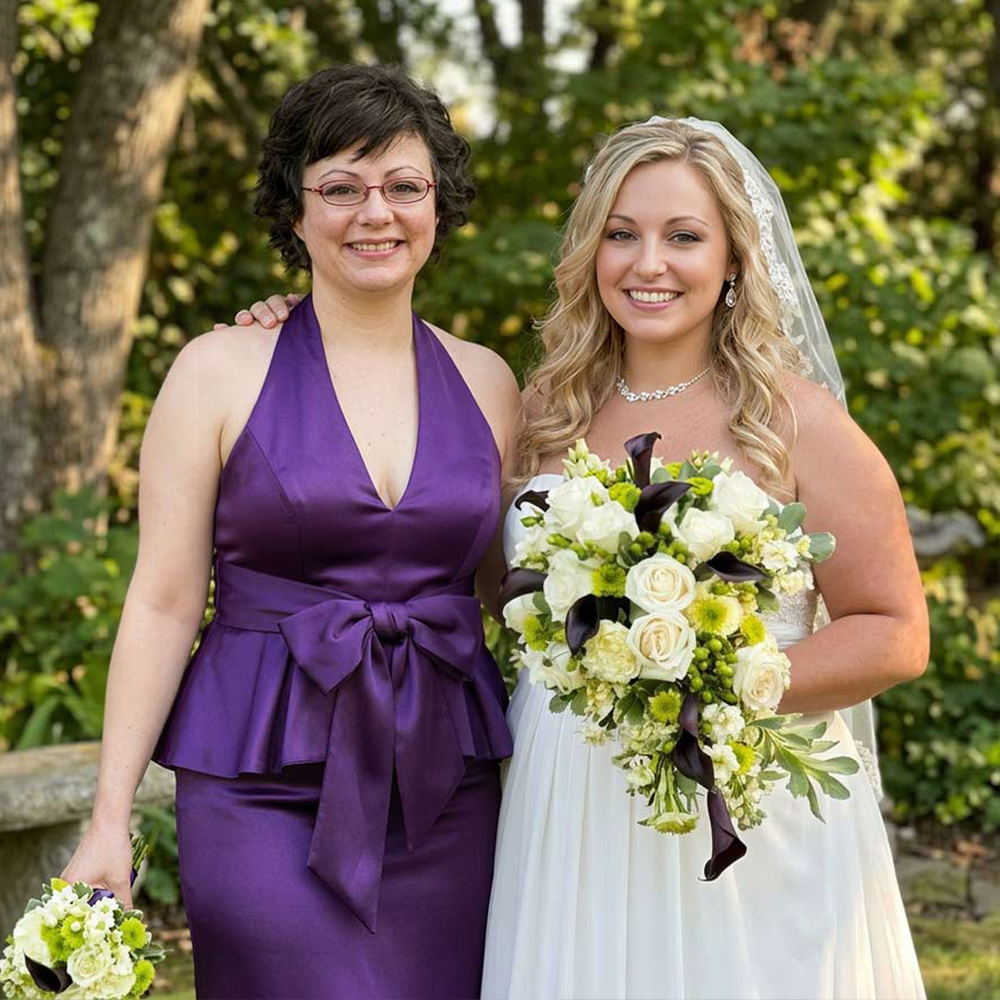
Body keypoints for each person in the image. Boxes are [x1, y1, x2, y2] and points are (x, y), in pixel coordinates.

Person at [237, 117, 929, 999]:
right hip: (564, 801)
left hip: (740, 810)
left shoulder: (795, 420)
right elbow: (477, 580)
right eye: (621, 234)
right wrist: (303, 321)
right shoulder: (539, 410)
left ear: (733, 261)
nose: (649, 263)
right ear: (591, 251)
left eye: (684, 237)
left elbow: (897, 632)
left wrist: (710, 686)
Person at [61, 63, 520, 1000]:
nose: (374, 213)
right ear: (296, 210)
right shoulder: (218, 370)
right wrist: (108, 819)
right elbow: (161, 598)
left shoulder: (491, 383)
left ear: (440, 204)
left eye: (403, 186)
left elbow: (511, 599)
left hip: (447, 787)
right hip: (260, 779)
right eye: (340, 188)